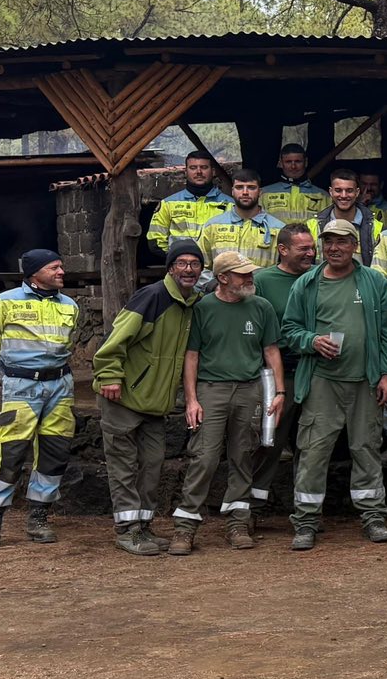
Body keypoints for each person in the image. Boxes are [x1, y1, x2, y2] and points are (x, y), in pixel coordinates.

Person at [280, 218, 387, 547]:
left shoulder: (373, 281)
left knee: (366, 448)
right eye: (328, 241)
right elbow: (289, 330)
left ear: (354, 246)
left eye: (342, 241)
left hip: (365, 381)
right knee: (313, 451)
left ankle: (373, 517)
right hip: (322, 382)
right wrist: (312, 341)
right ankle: (305, 522)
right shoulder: (306, 284)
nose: (334, 247)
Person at [91, 240, 204, 555]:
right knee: (124, 466)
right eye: (181, 263)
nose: (188, 269)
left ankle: (143, 526)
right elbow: (115, 339)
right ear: (170, 268)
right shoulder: (153, 297)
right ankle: (127, 531)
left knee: (151, 465)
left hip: (155, 403)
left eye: (195, 264)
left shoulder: (192, 304)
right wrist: (109, 376)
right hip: (124, 398)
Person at [173, 251, 284, 552]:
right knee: (205, 457)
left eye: (250, 273)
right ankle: (185, 527)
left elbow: (271, 351)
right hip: (212, 389)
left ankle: (238, 522)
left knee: (243, 455)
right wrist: (192, 399)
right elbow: (191, 355)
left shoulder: (261, 307)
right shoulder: (202, 308)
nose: (250, 278)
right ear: (223, 278)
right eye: (242, 274)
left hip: (250, 390)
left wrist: (279, 392)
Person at [0, 248, 80, 552]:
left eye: (61, 267)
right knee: (11, 451)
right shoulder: (3, 303)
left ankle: (38, 518)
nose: (61, 272)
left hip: (60, 386)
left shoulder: (70, 305)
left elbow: (69, 344)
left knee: (55, 452)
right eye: (54, 267)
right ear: (34, 272)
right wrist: (7, 379)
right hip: (21, 386)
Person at [247, 223, 314, 510]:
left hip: (313, 370)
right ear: (283, 249)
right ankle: (251, 504)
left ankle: (306, 508)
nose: (311, 253)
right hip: (277, 373)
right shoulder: (263, 281)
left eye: (313, 248)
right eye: (304, 249)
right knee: (270, 440)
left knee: (311, 442)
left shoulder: (320, 277)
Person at [146, 150, 232, 257]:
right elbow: (155, 242)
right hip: (181, 270)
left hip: (218, 271)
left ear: (213, 172)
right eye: (193, 168)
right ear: (186, 172)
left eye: (204, 167)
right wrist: (179, 262)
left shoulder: (230, 205)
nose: (199, 172)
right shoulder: (168, 204)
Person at [199, 167, 282, 270]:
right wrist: (214, 286)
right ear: (232, 191)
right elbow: (201, 266)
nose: (245, 192)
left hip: (262, 286)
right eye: (239, 187)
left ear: (260, 192)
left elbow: (286, 269)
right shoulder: (212, 226)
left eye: (251, 187)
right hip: (222, 286)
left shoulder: (278, 229)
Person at [261, 143, 328, 224]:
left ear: (306, 162)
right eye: (288, 162)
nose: (293, 166)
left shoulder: (323, 196)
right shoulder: (263, 194)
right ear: (280, 164)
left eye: (298, 161)